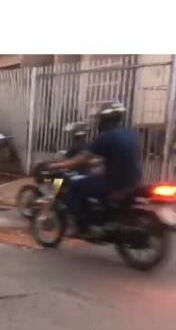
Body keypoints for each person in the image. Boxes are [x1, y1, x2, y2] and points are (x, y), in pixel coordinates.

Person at [50, 102, 142, 238]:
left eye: (99, 119)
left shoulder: (105, 137)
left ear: (104, 120)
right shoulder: (130, 134)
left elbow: (81, 159)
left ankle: (84, 228)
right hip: (134, 180)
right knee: (90, 182)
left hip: (113, 182)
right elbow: (115, 156)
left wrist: (61, 165)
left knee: (73, 190)